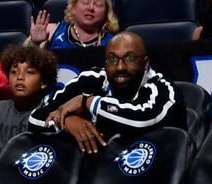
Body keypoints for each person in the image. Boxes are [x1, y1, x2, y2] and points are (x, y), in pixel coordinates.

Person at [29, 32, 183, 152]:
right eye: (112, 59)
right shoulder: (90, 79)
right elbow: (36, 118)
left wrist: (87, 102)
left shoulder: (163, 88)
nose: (120, 67)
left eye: (129, 58)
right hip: (100, 174)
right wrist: (67, 122)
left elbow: (144, 118)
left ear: (145, 63)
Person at [0, 44, 58, 151]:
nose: (20, 77)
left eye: (29, 72)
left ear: (43, 82)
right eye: (14, 72)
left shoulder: (50, 113)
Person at [29, 0, 119, 49]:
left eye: (98, 4)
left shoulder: (113, 43)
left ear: (106, 13)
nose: (91, 8)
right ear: (73, 8)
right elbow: (24, 61)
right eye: (85, 2)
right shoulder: (51, 31)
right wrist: (34, 43)